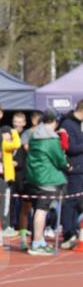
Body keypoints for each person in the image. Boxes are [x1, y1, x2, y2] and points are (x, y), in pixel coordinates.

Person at [24, 110, 70, 257]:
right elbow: (59, 159)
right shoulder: (51, 139)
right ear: (55, 122)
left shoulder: (34, 135)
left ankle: (39, 240)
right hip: (47, 178)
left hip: (34, 176)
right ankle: (37, 243)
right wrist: (67, 165)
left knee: (38, 208)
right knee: (42, 210)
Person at [60, 100, 83, 248]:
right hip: (74, 169)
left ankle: (74, 231)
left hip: (81, 169)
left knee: (78, 202)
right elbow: (70, 148)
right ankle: (68, 233)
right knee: (71, 202)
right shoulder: (68, 124)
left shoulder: (78, 124)